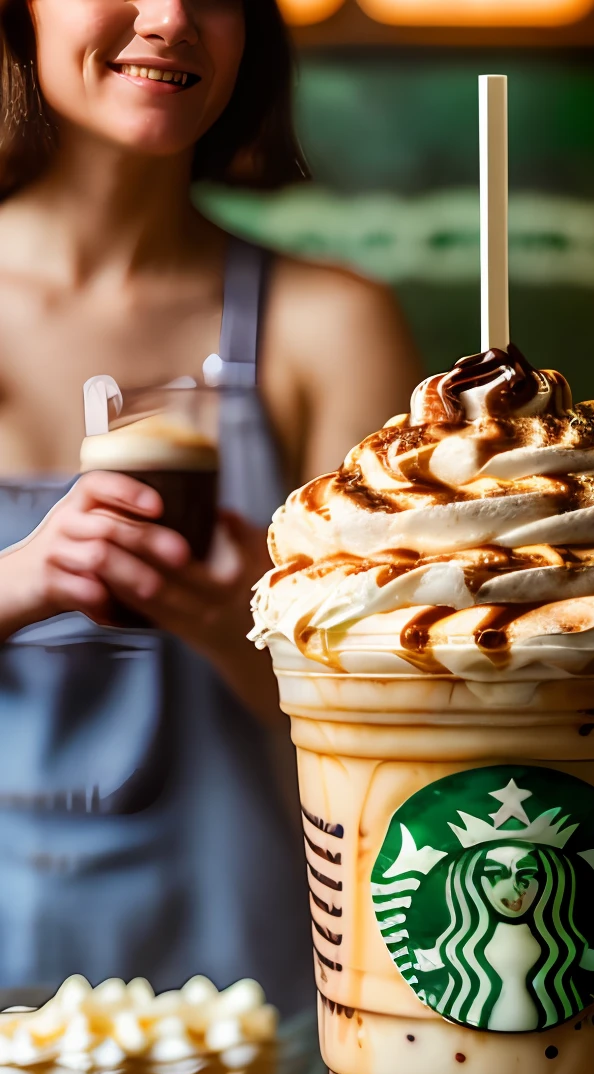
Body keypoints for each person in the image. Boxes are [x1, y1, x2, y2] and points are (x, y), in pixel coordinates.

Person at [0, 0, 419, 1013]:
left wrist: (255, 636)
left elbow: (404, 735)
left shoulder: (332, 327)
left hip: (243, 1021)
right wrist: (17, 582)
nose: (172, 17)